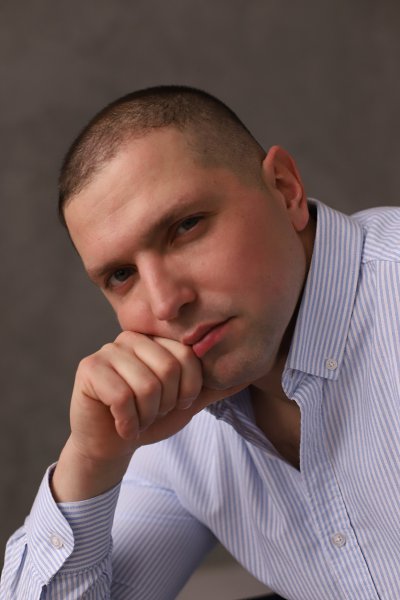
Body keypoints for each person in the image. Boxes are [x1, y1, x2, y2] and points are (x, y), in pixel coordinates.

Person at [1, 86, 400, 600]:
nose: (166, 303)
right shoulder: (174, 417)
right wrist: (92, 459)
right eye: (121, 275)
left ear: (286, 190)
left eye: (185, 227)